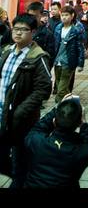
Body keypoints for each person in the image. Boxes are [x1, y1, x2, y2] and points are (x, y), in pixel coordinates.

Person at [0, 13, 52, 188]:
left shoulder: (38, 57)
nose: (18, 33)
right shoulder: (5, 51)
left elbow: (43, 90)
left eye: (24, 29)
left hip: (20, 121)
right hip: (2, 116)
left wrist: (21, 111)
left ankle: (23, 179)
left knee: (19, 161)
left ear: (33, 32)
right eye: (16, 29)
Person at [24, 95, 88, 188]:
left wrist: (57, 109)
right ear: (79, 124)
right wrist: (84, 123)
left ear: (54, 122)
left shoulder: (36, 142)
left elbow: (39, 127)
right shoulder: (81, 153)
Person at [53, 6, 85, 102]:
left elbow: (80, 48)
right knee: (61, 87)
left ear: (72, 16)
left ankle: (61, 110)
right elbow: (54, 45)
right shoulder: (58, 29)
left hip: (68, 62)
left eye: (66, 15)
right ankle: (71, 105)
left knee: (61, 90)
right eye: (62, 15)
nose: (64, 17)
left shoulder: (76, 30)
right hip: (57, 62)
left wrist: (80, 64)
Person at [27, 2, 55, 68]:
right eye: (31, 16)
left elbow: (50, 56)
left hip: (38, 68)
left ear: (41, 15)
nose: (33, 19)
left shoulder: (47, 33)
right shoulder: (24, 30)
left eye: (36, 16)